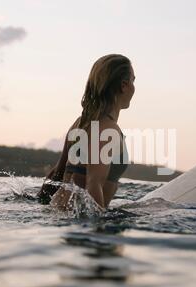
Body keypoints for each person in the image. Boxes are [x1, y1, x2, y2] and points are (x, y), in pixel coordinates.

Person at [37, 54, 136, 210]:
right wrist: (97, 229)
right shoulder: (109, 130)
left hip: (58, 212)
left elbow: (56, 174)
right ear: (124, 85)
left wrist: (39, 204)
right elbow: (93, 184)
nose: (133, 87)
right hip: (81, 221)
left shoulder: (81, 122)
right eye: (133, 80)